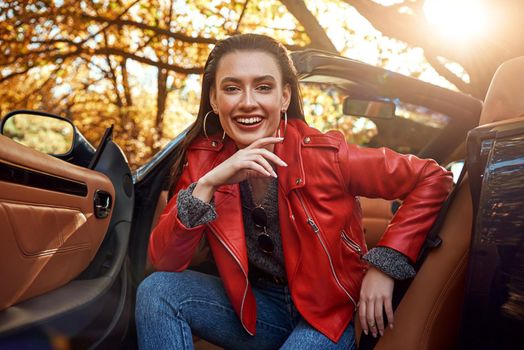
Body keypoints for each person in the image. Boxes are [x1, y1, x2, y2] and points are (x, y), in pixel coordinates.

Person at [135, 33, 453, 349]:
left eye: (263, 87)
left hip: (329, 314)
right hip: (258, 307)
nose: (248, 102)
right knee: (157, 290)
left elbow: (433, 177)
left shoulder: (326, 154)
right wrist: (207, 184)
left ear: (284, 97)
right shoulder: (204, 160)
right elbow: (164, 260)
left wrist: (385, 264)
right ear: (215, 100)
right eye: (232, 88)